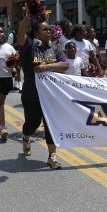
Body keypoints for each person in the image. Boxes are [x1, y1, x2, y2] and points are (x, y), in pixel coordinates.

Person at [17, 14, 69, 169]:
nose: (49, 32)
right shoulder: (29, 45)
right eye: (45, 29)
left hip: (51, 94)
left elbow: (65, 65)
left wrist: (46, 67)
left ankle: (52, 156)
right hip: (31, 93)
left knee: (50, 124)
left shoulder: (55, 47)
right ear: (36, 33)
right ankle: (26, 136)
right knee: (33, 123)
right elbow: (20, 35)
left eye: (50, 29)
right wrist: (26, 17)